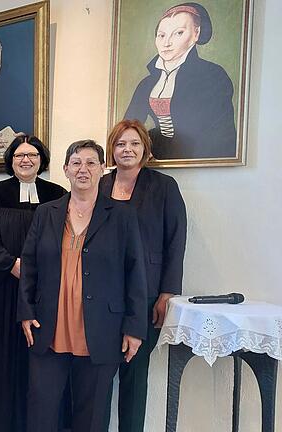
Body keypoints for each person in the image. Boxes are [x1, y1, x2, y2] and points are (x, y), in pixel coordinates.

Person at [17, 140, 147, 432]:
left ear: (103, 169)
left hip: (101, 329)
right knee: (41, 409)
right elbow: (29, 265)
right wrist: (25, 311)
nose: (83, 169)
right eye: (76, 163)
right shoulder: (46, 212)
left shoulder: (122, 216)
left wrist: (134, 328)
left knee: (92, 416)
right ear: (65, 170)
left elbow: (135, 273)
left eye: (91, 163)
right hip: (49, 326)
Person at [0, 134, 66, 431]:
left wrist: (37, 273)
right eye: (20, 155)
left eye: (32, 155)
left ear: (41, 160)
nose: (26, 160)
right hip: (2, 289)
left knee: (39, 356)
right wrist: (11, 264)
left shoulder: (58, 194)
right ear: (10, 160)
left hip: (42, 291)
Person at [100, 119, 187, 432]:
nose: (127, 149)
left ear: (145, 150)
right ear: (112, 149)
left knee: (135, 375)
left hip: (146, 294)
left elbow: (176, 241)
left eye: (134, 144)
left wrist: (167, 292)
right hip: (102, 295)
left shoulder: (164, 186)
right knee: (96, 374)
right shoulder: (100, 184)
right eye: (121, 144)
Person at [125, 2, 236, 160]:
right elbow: (127, 126)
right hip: (157, 158)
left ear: (196, 34)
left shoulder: (213, 75)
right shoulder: (147, 84)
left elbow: (220, 134)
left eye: (178, 33)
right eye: (161, 35)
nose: (167, 42)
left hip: (200, 161)